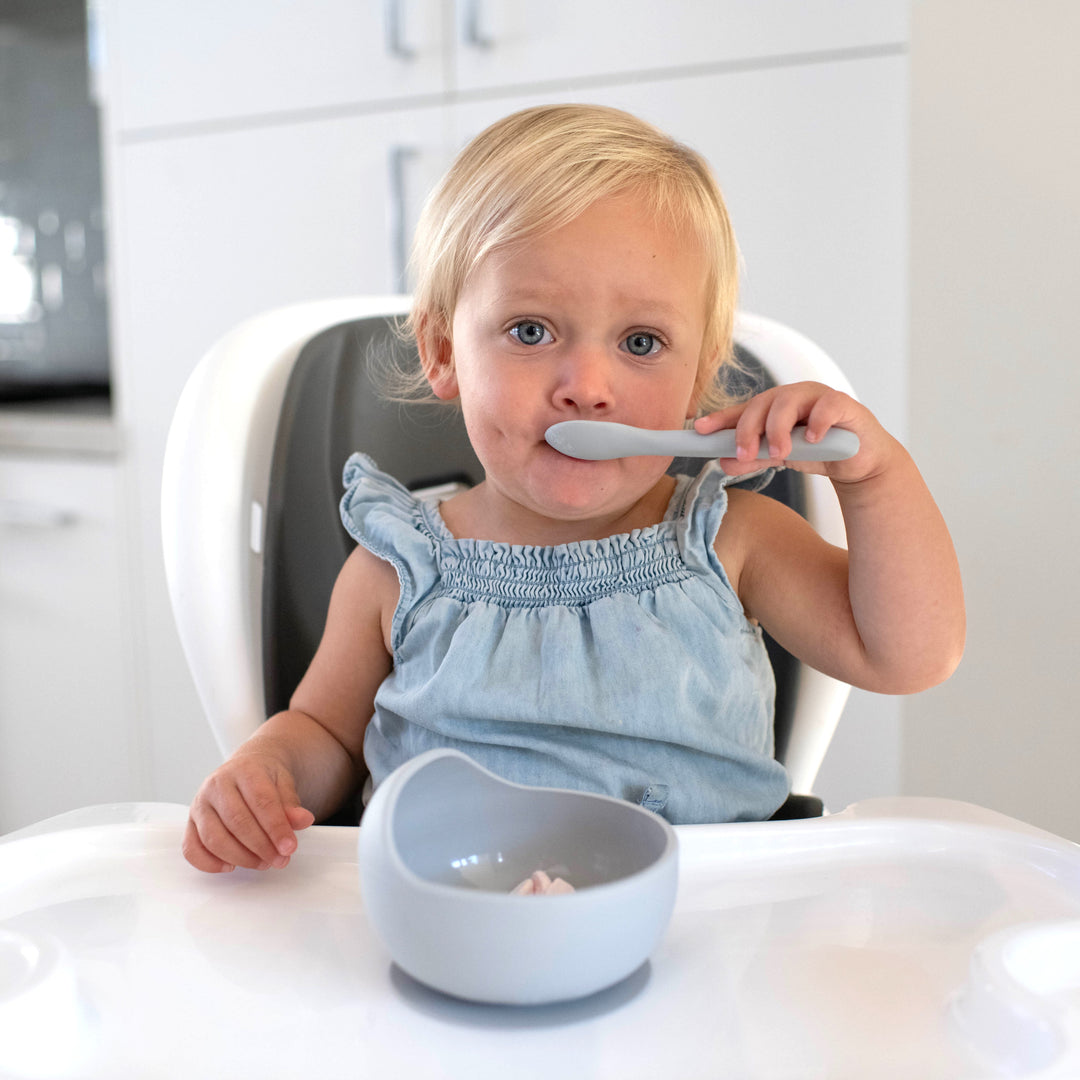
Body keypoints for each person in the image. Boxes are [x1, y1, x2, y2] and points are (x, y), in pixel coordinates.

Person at [183, 104, 964, 874]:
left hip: (705, 934)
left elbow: (909, 656)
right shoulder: (399, 569)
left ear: (698, 378)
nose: (587, 387)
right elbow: (323, 731)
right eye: (531, 331)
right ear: (444, 350)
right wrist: (267, 775)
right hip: (458, 929)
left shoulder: (733, 542)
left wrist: (876, 477)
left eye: (641, 343)